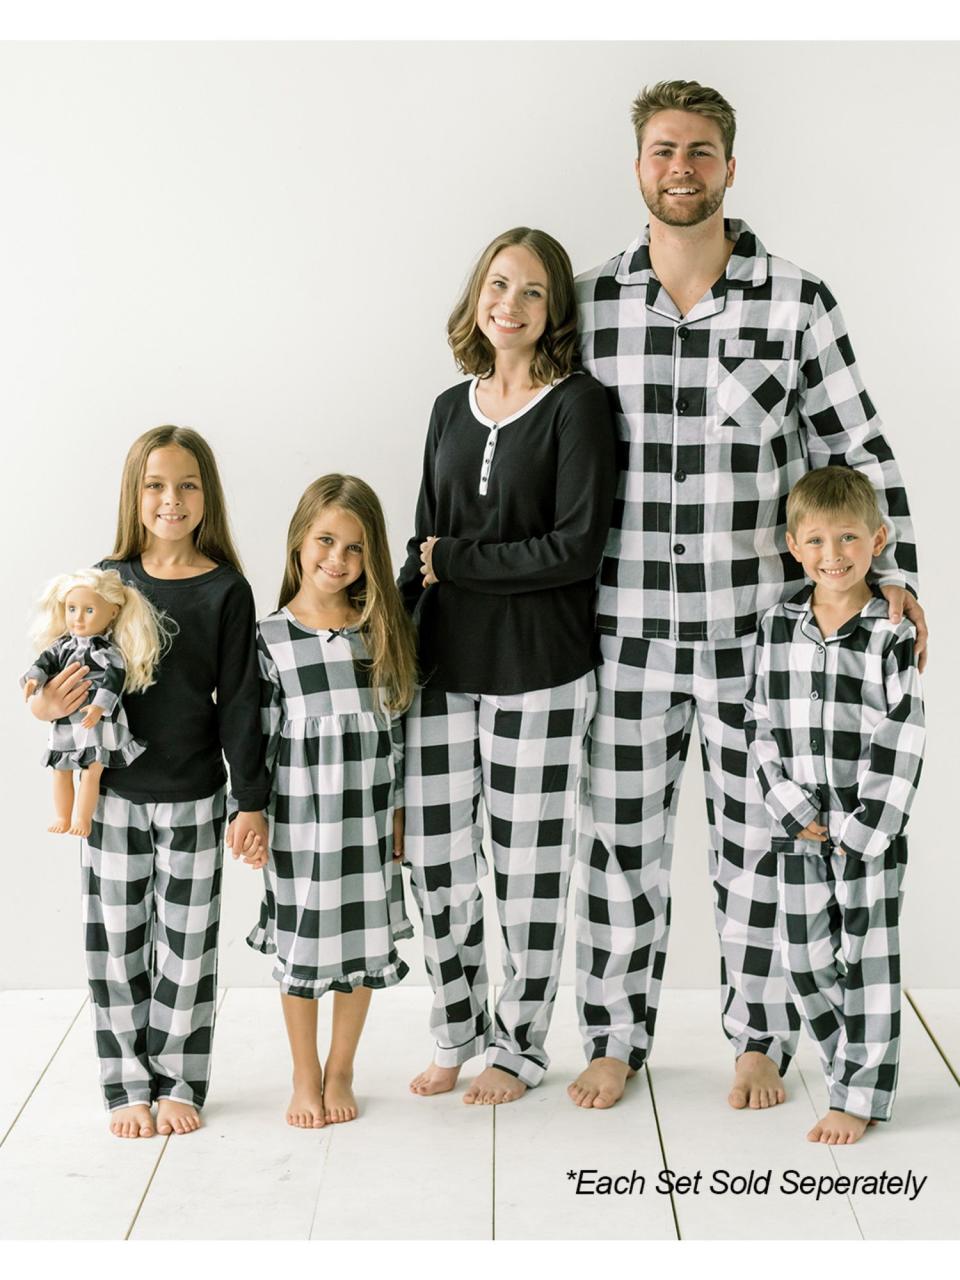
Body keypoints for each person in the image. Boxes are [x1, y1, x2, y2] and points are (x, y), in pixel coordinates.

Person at [571, 80, 926, 1112]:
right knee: (620, 846)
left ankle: (757, 1038)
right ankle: (613, 1035)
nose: (680, 166)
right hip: (622, 629)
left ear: (732, 166)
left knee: (757, 850)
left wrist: (895, 579)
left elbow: (855, 444)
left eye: (701, 151)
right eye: (663, 149)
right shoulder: (590, 304)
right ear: (638, 164)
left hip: (757, 643)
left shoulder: (796, 300)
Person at [399, 226, 616, 1104]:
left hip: (542, 669)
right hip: (444, 669)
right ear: (475, 296)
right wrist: (402, 652)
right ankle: (456, 1029)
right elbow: (420, 546)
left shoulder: (579, 405)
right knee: (440, 866)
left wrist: (457, 561)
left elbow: (573, 548)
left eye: (531, 291)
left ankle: (518, 1047)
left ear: (554, 307)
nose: (510, 305)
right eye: (498, 285)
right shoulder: (450, 407)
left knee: (525, 868)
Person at [27, 425, 269, 1139]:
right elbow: (53, 678)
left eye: (187, 485)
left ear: (207, 496)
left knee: (188, 949)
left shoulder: (227, 589)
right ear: (135, 496)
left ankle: (180, 1078)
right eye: (156, 485)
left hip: (195, 795)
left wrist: (249, 798)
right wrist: (42, 704)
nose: (172, 499)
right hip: (111, 801)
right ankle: (126, 1082)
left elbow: (243, 702)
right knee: (115, 946)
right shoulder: (105, 581)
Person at [744, 467, 924, 1143]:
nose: (834, 554)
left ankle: (861, 1094)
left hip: (866, 828)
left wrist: (862, 828)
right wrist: (788, 805)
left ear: (877, 541)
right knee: (806, 958)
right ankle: (841, 1061)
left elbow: (903, 731)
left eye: (849, 538)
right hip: (799, 828)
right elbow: (756, 721)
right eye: (817, 540)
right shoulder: (777, 626)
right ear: (794, 546)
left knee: (869, 961)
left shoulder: (890, 632)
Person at [247, 474, 417, 1128]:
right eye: (325, 540)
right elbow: (255, 738)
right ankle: (303, 1071)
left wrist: (400, 813)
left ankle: (342, 1067)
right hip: (299, 824)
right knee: (303, 945)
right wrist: (252, 811)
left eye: (354, 548)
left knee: (362, 943)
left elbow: (396, 735)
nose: (337, 559)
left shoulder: (380, 633)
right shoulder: (270, 637)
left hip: (367, 820)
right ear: (299, 539)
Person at [22, 568, 168, 836]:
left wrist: (100, 705)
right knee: (60, 769)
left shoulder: (107, 651)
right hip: (67, 720)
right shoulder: (61, 647)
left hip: (98, 722)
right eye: (72, 609)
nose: (78, 618)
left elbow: (115, 678)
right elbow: (43, 662)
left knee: (91, 772)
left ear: (112, 612)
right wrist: (33, 681)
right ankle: (62, 815)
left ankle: (82, 819)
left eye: (88, 610)